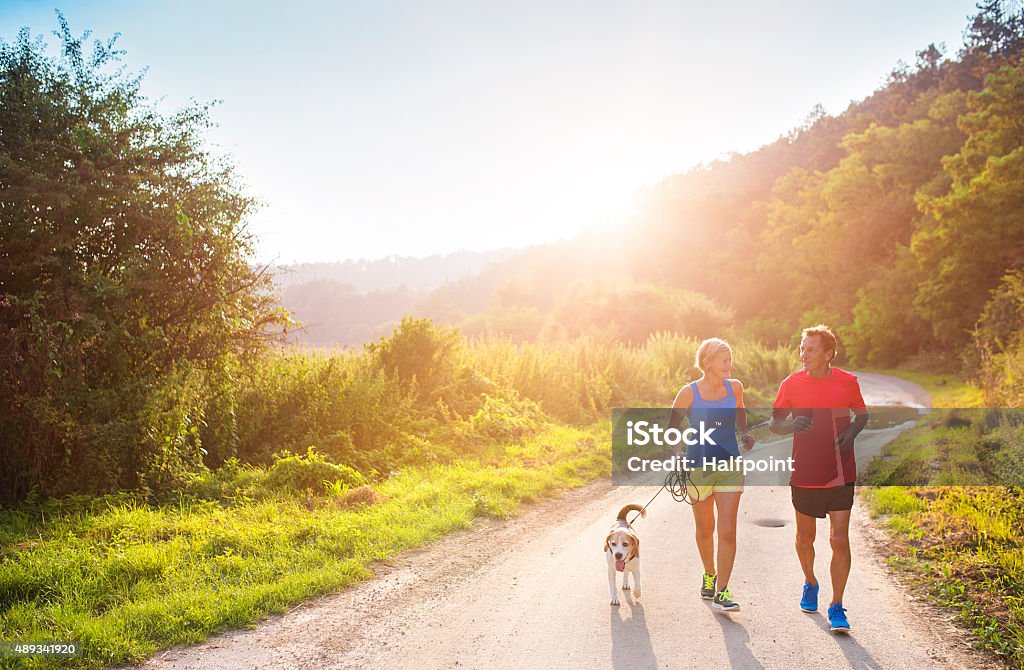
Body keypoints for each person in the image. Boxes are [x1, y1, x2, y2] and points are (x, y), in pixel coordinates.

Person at [769, 325, 868, 633]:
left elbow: (861, 414)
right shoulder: (791, 384)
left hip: (840, 472)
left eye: (811, 349)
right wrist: (789, 426)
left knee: (839, 538)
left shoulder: (847, 382)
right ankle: (810, 581)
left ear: (828, 354)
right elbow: (775, 422)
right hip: (805, 472)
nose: (804, 354)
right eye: (802, 348)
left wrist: (851, 433)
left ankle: (837, 604)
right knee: (804, 538)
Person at [668, 338, 754, 613]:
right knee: (706, 530)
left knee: (728, 530)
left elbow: (740, 414)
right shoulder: (689, 393)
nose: (729, 365)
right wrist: (678, 454)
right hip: (698, 470)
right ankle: (709, 573)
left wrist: (744, 433)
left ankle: (723, 591)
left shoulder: (736, 388)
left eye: (730, 360)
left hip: (730, 467)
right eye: (724, 360)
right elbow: (671, 429)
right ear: (707, 363)